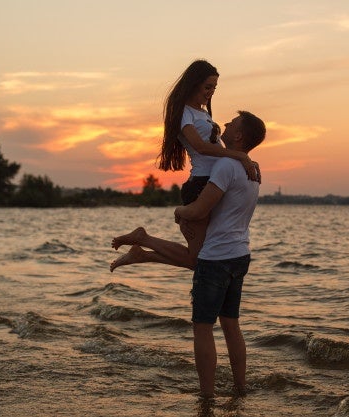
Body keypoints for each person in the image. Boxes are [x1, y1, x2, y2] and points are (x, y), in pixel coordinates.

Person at [114, 111, 266, 397]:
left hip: (217, 257)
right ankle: (240, 389)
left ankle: (206, 397)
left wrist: (179, 210)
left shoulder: (225, 166)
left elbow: (198, 210)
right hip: (239, 254)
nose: (228, 124)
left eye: (233, 123)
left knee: (203, 328)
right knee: (231, 325)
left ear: (239, 136)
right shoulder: (253, 170)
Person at [110, 60, 258, 272]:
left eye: (214, 88)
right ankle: (144, 240)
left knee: (204, 255)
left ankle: (142, 252)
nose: (211, 92)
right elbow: (200, 146)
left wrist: (244, 160)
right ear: (193, 84)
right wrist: (239, 156)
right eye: (208, 87)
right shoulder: (183, 113)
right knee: (197, 259)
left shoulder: (203, 113)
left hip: (214, 183)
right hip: (200, 186)